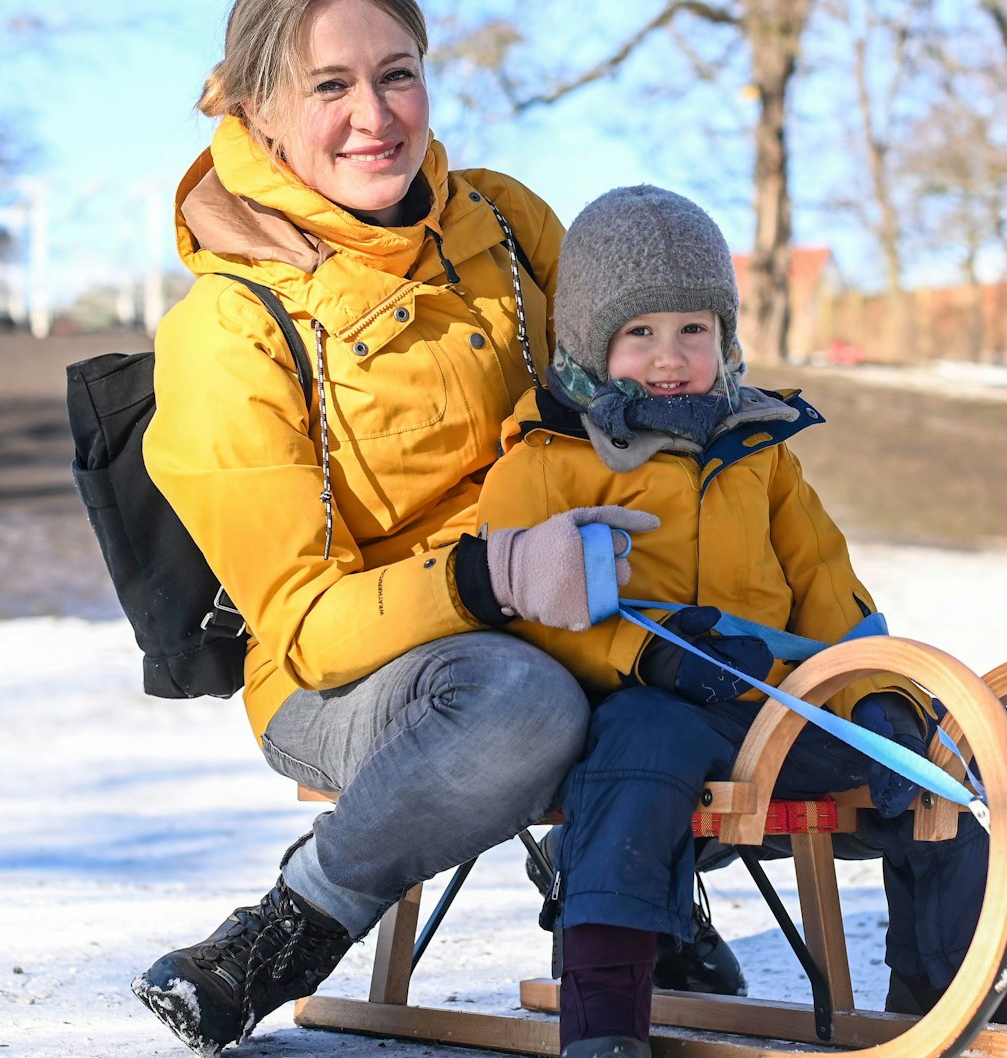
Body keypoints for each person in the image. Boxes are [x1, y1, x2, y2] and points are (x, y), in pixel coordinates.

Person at [127, 2, 658, 1054]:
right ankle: (284, 929)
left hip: (567, 605)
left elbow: (632, 376)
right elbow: (305, 622)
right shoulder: (228, 330)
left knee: (738, 634)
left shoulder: (503, 221)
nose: (374, 115)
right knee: (523, 700)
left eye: (397, 73)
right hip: (346, 678)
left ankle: (640, 906)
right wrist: (490, 576)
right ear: (258, 110)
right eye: (330, 85)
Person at [476, 185, 1007, 1058]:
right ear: (587, 338)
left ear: (725, 336)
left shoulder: (760, 452)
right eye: (639, 331)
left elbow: (825, 583)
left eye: (694, 329)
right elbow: (526, 611)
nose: (670, 357)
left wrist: (876, 697)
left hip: (772, 704)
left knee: (931, 768)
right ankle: (605, 1015)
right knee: (635, 767)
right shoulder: (545, 460)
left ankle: (951, 977)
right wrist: (650, 658)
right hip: (631, 706)